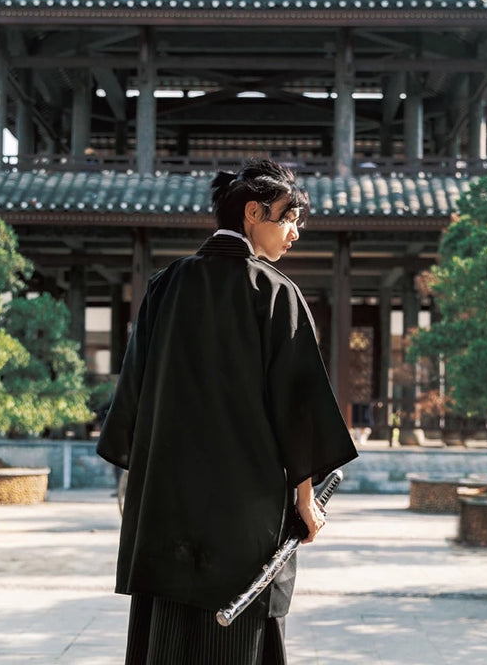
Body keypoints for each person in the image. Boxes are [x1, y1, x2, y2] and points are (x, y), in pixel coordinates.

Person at [97, 158, 358, 664]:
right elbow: (297, 406)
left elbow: (132, 395)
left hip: (166, 508)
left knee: (168, 642)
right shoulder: (277, 293)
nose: (295, 233)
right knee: (237, 641)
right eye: (289, 218)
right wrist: (306, 500)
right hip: (246, 512)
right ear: (253, 213)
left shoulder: (164, 285)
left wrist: (140, 489)